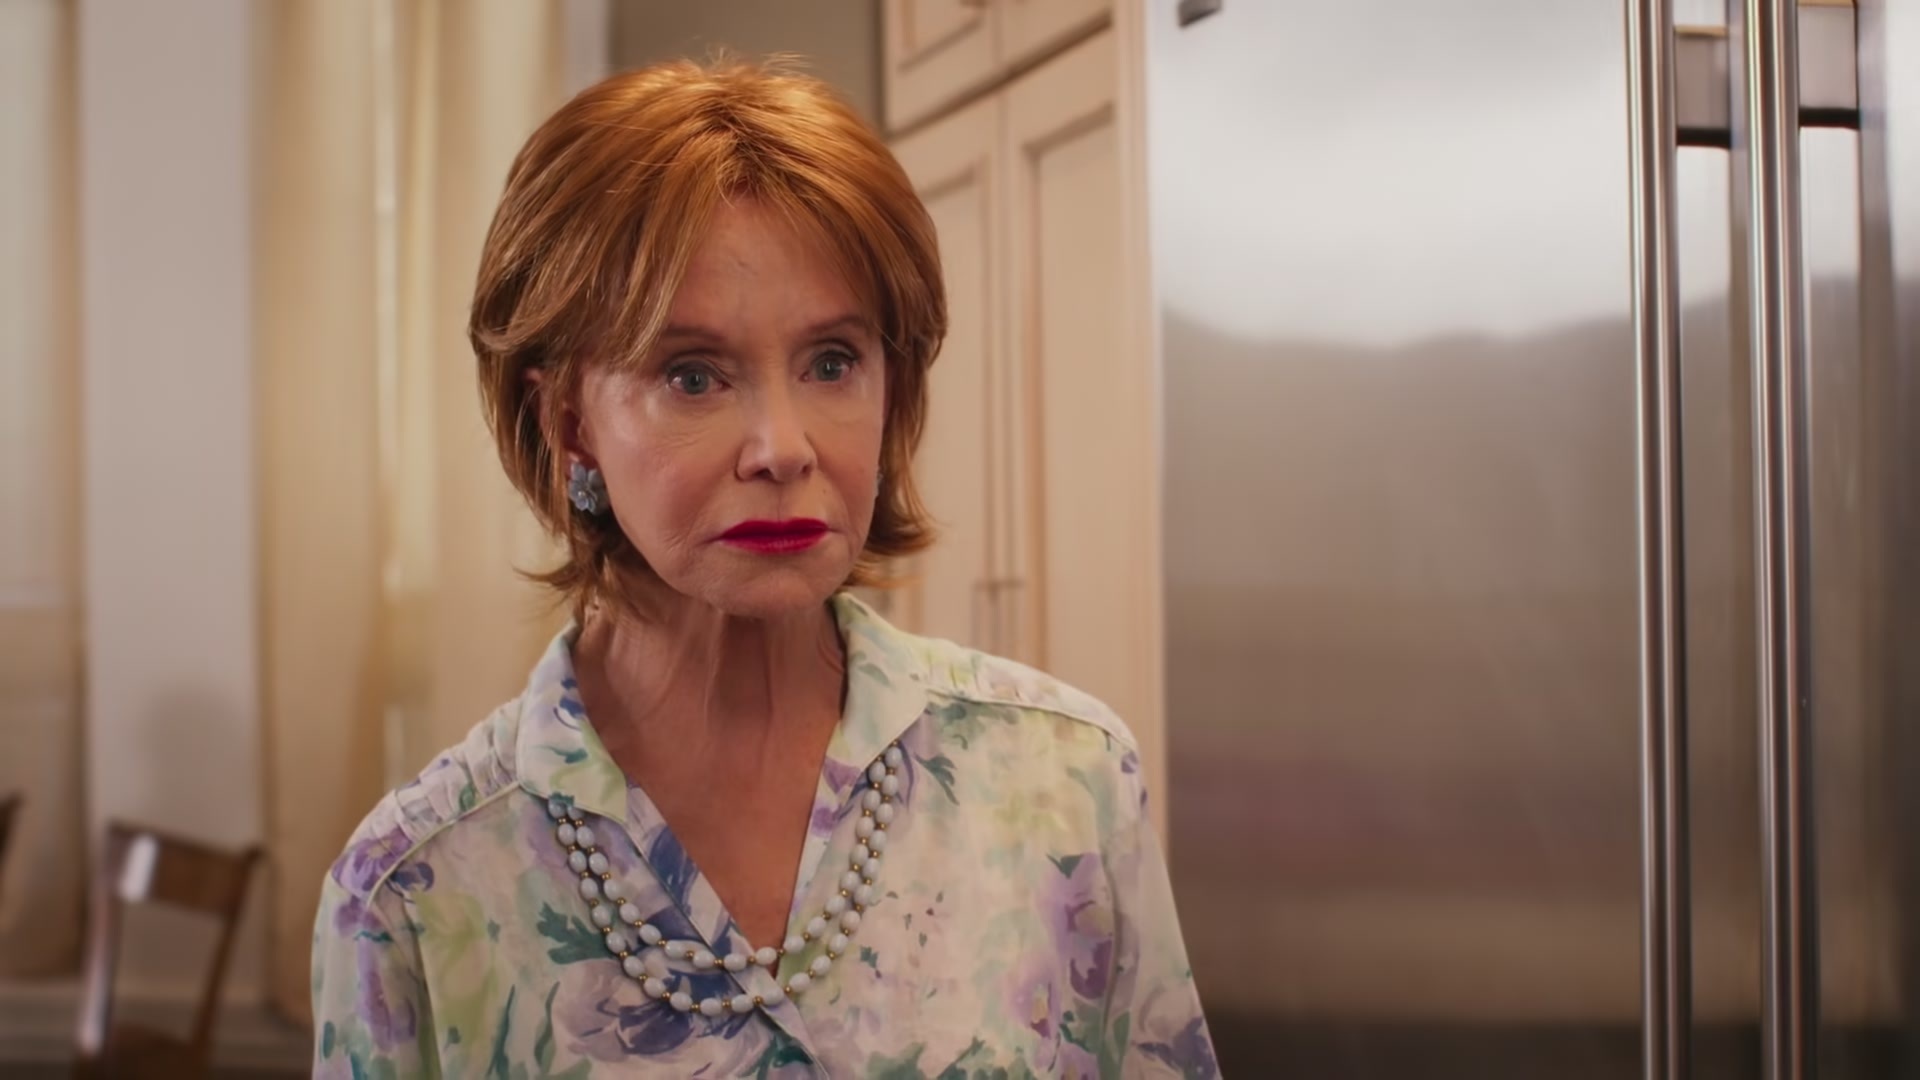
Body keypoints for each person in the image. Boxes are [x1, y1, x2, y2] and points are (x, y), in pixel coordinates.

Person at [310, 57, 1217, 1078]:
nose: (783, 447)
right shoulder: (411, 893)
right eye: (692, 375)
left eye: (832, 362)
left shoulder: (1067, 780)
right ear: (565, 419)